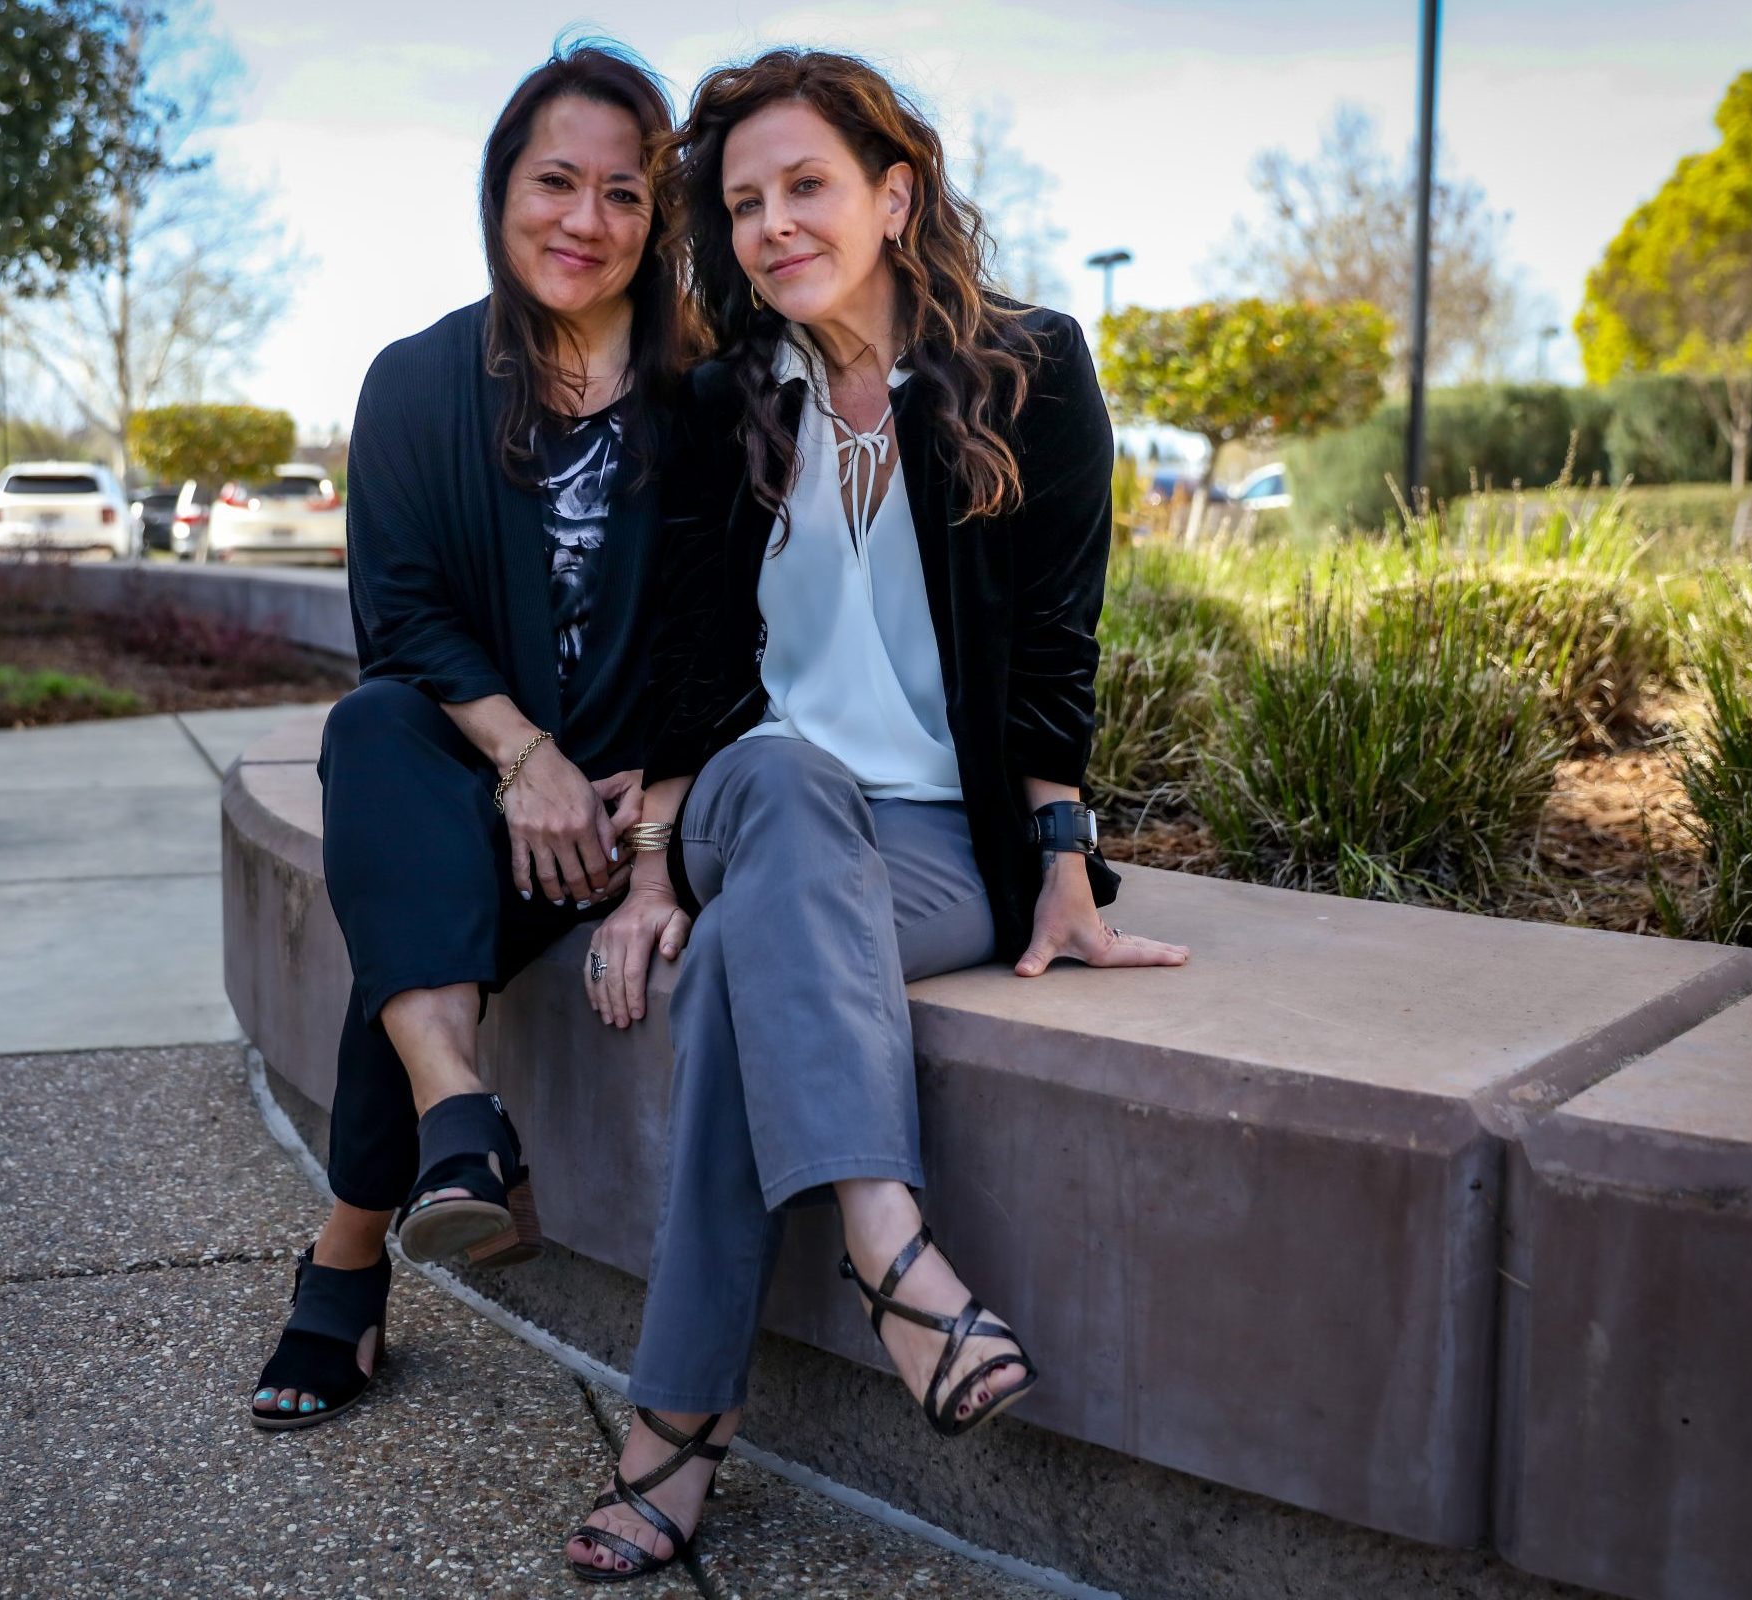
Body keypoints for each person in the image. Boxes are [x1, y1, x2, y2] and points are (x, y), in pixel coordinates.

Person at [562, 49, 1190, 1577]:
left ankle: (677, 1435)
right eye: (749, 202)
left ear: (894, 194)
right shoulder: (722, 405)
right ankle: (891, 1252)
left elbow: (1055, 650)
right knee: (781, 779)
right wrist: (648, 874)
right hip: (746, 804)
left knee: (733, 975)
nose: (776, 225)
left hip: (931, 851)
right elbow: (685, 666)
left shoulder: (1030, 370)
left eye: (810, 188)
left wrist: (1060, 863)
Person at [247, 42, 691, 1432]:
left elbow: (740, 639)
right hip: (485, 769)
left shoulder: (718, 398)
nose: (585, 220)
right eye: (555, 181)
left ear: (659, 218)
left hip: (639, 794)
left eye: (625, 193)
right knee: (376, 729)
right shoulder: (421, 381)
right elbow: (402, 614)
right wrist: (520, 758)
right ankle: (459, 1112)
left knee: (408, 903)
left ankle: (354, 1251)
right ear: (501, 192)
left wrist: (650, 821)